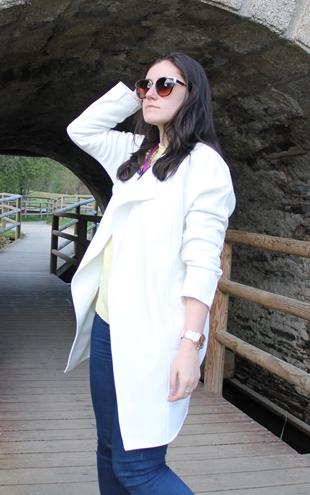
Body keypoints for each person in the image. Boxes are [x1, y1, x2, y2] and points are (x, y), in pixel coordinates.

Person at [64, 52, 236, 494]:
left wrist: (189, 346)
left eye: (166, 85)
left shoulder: (204, 165)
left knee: (139, 467)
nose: (151, 93)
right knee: (108, 449)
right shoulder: (136, 153)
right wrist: (131, 94)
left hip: (155, 333)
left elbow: (203, 262)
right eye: (147, 85)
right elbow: (81, 131)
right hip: (108, 324)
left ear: (192, 95)